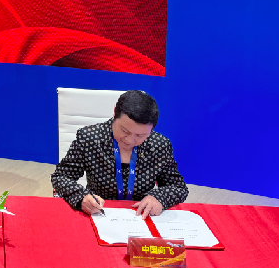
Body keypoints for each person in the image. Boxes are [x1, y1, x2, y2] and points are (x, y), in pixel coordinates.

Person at [51, 90, 188, 219]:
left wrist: (159, 198)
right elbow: (61, 176)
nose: (130, 140)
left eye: (140, 135)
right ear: (114, 113)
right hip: (98, 214)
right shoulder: (90, 138)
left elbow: (178, 187)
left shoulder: (159, 145)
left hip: (141, 217)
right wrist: (81, 197)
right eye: (124, 131)